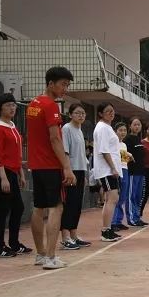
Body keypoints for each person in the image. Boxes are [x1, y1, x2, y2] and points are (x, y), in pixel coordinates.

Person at [26, 67, 77, 270]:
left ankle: (40, 254)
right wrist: (67, 166)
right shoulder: (50, 105)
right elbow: (55, 138)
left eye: (67, 85)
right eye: (63, 84)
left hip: (36, 165)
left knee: (39, 208)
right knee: (56, 207)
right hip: (50, 164)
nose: (65, 89)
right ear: (50, 83)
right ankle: (50, 257)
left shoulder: (33, 104)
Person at [0, 93, 32, 257]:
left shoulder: (12, 126)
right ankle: (0, 247)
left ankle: (14, 244)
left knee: (18, 207)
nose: (12, 108)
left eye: (13, 105)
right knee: (3, 208)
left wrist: (21, 173)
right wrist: (3, 178)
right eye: (8, 105)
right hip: (0, 171)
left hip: (12, 171)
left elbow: (16, 153)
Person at [60, 103, 92, 250]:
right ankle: (65, 237)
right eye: (77, 113)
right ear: (70, 114)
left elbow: (81, 155)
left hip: (80, 170)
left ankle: (74, 235)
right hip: (71, 170)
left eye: (83, 113)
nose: (81, 115)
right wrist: (68, 171)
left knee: (77, 204)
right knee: (70, 203)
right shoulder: (66, 129)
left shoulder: (79, 130)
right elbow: (65, 152)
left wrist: (84, 173)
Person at [93, 103, 123, 242]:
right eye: (107, 111)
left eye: (112, 110)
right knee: (112, 198)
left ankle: (108, 228)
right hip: (107, 169)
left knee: (111, 199)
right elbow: (104, 150)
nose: (111, 113)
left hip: (110, 169)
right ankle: (105, 230)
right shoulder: (102, 128)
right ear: (100, 113)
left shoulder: (107, 127)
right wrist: (112, 168)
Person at [123, 117, 148, 227]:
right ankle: (131, 219)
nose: (137, 126)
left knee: (138, 196)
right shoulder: (127, 139)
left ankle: (137, 217)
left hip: (141, 172)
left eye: (139, 124)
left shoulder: (139, 139)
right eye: (135, 124)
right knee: (131, 196)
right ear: (130, 126)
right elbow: (124, 156)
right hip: (132, 172)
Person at [111, 122, 134, 231]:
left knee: (123, 197)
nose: (123, 132)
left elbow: (124, 160)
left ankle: (118, 220)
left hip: (125, 170)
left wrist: (128, 156)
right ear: (115, 131)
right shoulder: (113, 143)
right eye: (120, 130)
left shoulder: (124, 144)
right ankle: (113, 222)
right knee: (116, 197)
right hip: (117, 171)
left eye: (124, 130)